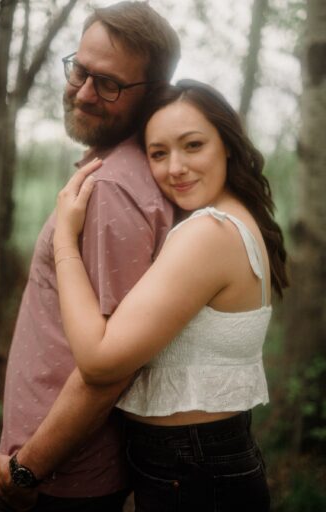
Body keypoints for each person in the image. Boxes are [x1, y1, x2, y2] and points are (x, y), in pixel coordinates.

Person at [51, 79, 284, 511]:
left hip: (193, 469)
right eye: (159, 153)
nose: (175, 167)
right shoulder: (236, 219)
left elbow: (99, 361)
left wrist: (64, 239)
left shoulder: (209, 233)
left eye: (192, 145)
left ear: (226, 145)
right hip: (199, 463)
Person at [0, 2, 180, 510]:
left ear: (152, 95)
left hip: (62, 479)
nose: (85, 92)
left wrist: (29, 468)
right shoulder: (111, 172)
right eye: (80, 70)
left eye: (110, 84)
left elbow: (111, 367)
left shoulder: (114, 191)